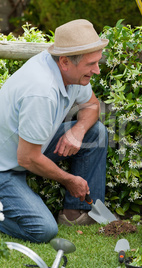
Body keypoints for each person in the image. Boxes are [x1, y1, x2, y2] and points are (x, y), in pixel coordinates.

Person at [0, 19, 109, 243]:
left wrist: (78, 130)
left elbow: (92, 106)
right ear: (65, 62)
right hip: (6, 167)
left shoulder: (72, 72)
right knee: (43, 230)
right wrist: (69, 180)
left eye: (97, 62)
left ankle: (77, 213)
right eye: (91, 64)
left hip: (28, 149)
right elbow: (28, 158)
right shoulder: (41, 90)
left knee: (95, 132)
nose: (97, 71)